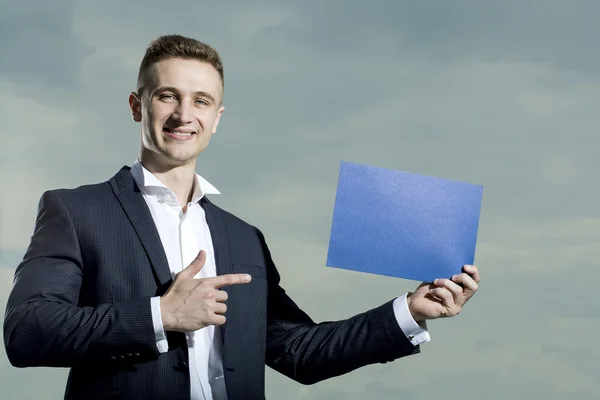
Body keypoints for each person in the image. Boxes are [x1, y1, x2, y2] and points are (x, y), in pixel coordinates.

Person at [3, 35, 480, 400]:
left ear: (217, 117)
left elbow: (298, 352)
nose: (183, 114)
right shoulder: (75, 209)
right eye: (167, 96)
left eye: (201, 101)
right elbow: (26, 331)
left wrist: (409, 312)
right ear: (137, 106)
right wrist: (160, 315)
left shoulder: (243, 237)